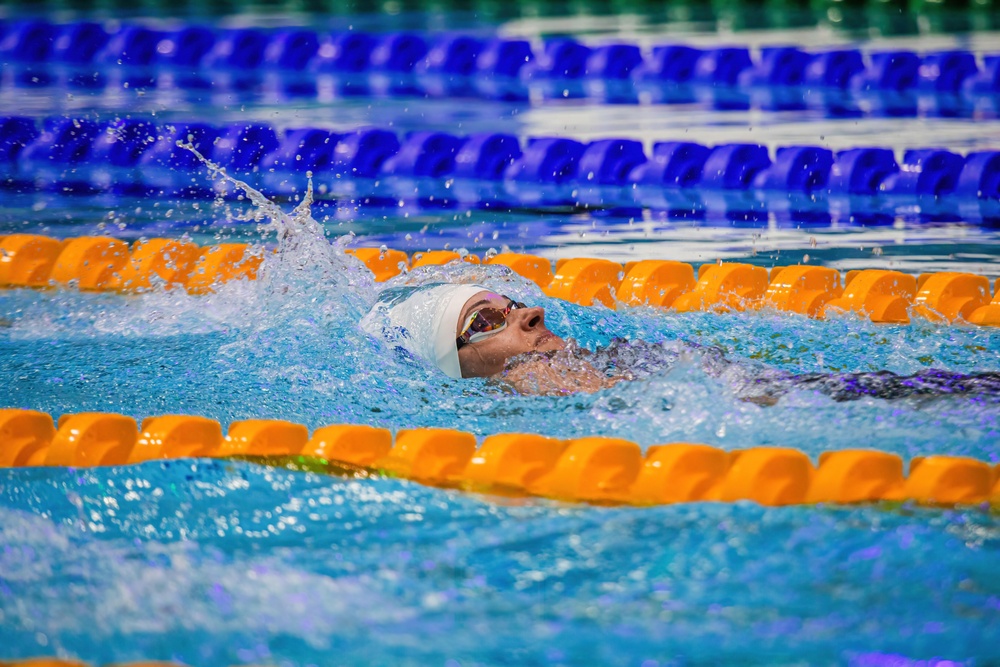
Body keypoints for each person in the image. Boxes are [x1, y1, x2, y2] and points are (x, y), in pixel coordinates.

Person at [361, 282, 1000, 402]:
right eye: (485, 322)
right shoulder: (530, 383)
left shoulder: (610, 360)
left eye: (509, 301)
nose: (528, 311)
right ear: (457, 370)